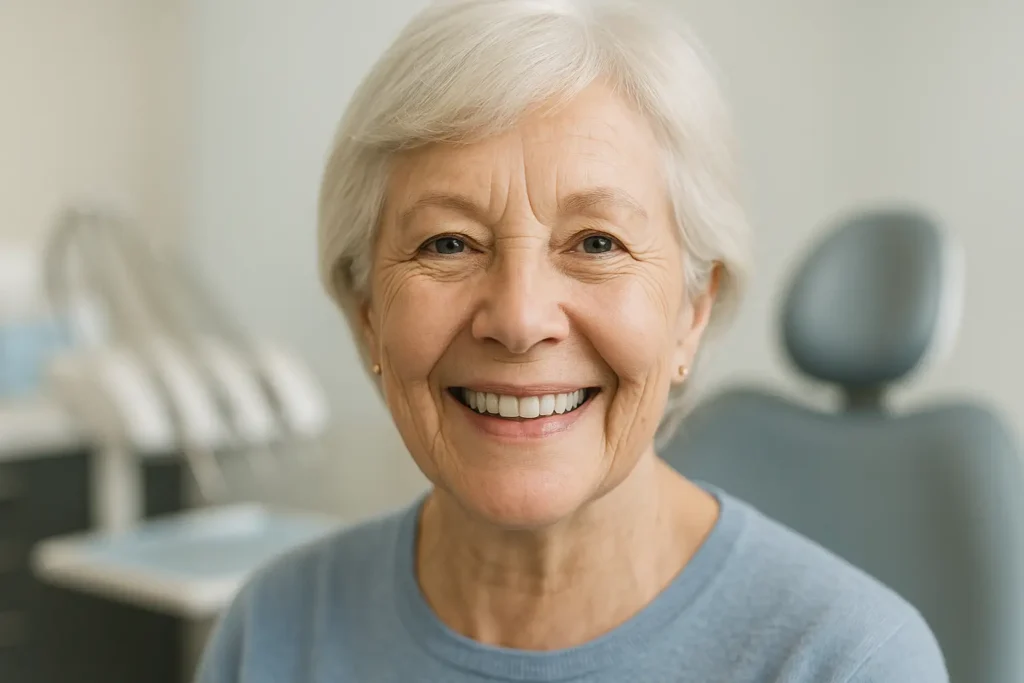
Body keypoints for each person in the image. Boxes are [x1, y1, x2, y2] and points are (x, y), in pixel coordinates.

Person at [195, 0, 948, 681]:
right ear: (367, 313)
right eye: (449, 244)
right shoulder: (274, 631)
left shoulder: (849, 660)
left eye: (595, 242)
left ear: (692, 311)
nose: (520, 319)